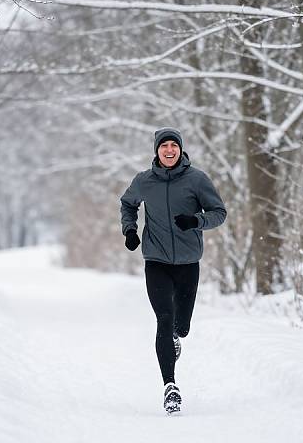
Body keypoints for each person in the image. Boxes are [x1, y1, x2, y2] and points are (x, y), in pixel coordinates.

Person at [120, 127, 227, 415]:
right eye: (164, 146)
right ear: (156, 150)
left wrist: (196, 221)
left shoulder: (196, 179)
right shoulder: (144, 181)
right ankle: (170, 386)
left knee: (181, 326)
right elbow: (127, 204)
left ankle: (176, 338)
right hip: (156, 261)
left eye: (173, 146)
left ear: (180, 150)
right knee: (164, 319)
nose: (169, 150)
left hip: (188, 263)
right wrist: (130, 230)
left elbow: (219, 213)